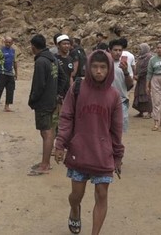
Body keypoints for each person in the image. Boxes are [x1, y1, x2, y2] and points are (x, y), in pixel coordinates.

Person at [55, 50, 124, 235]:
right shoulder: (77, 88)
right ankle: (75, 209)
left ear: (109, 69)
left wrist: (118, 155)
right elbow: (66, 116)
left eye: (103, 67)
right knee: (76, 195)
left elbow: (117, 129)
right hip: (80, 151)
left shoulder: (114, 96)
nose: (99, 71)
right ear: (88, 67)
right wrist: (60, 143)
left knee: (102, 194)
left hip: (103, 153)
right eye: (94, 67)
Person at [28, 34, 58, 176]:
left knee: (46, 132)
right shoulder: (53, 60)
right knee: (48, 131)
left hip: (43, 103)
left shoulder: (41, 62)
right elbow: (62, 78)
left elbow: (39, 85)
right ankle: (46, 162)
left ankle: (45, 165)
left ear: (33, 47)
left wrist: (33, 99)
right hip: (52, 100)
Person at [53, 34, 78, 133]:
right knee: (56, 119)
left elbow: (70, 76)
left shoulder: (70, 59)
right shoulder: (54, 59)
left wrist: (72, 90)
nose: (67, 46)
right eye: (64, 44)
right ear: (58, 45)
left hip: (67, 92)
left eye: (68, 44)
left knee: (67, 117)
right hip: (56, 92)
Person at [109, 40, 134, 132]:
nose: (118, 52)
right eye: (115, 50)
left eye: (120, 50)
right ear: (109, 50)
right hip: (106, 101)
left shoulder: (124, 65)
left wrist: (126, 71)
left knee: (119, 131)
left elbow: (130, 85)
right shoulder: (105, 64)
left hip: (121, 100)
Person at [0, 36, 18, 112]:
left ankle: (7, 106)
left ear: (12, 43)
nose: (8, 44)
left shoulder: (13, 51)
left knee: (10, 90)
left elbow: (15, 62)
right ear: (4, 42)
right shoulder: (0, 50)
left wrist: (16, 73)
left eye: (9, 42)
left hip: (10, 74)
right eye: (6, 42)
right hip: (2, 73)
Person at [132, 43, 153, 119]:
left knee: (146, 94)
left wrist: (139, 75)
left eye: (140, 49)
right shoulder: (140, 57)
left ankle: (149, 112)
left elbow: (146, 68)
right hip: (139, 79)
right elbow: (137, 67)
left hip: (145, 79)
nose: (139, 50)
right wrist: (135, 74)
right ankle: (140, 111)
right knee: (138, 94)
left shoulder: (149, 57)